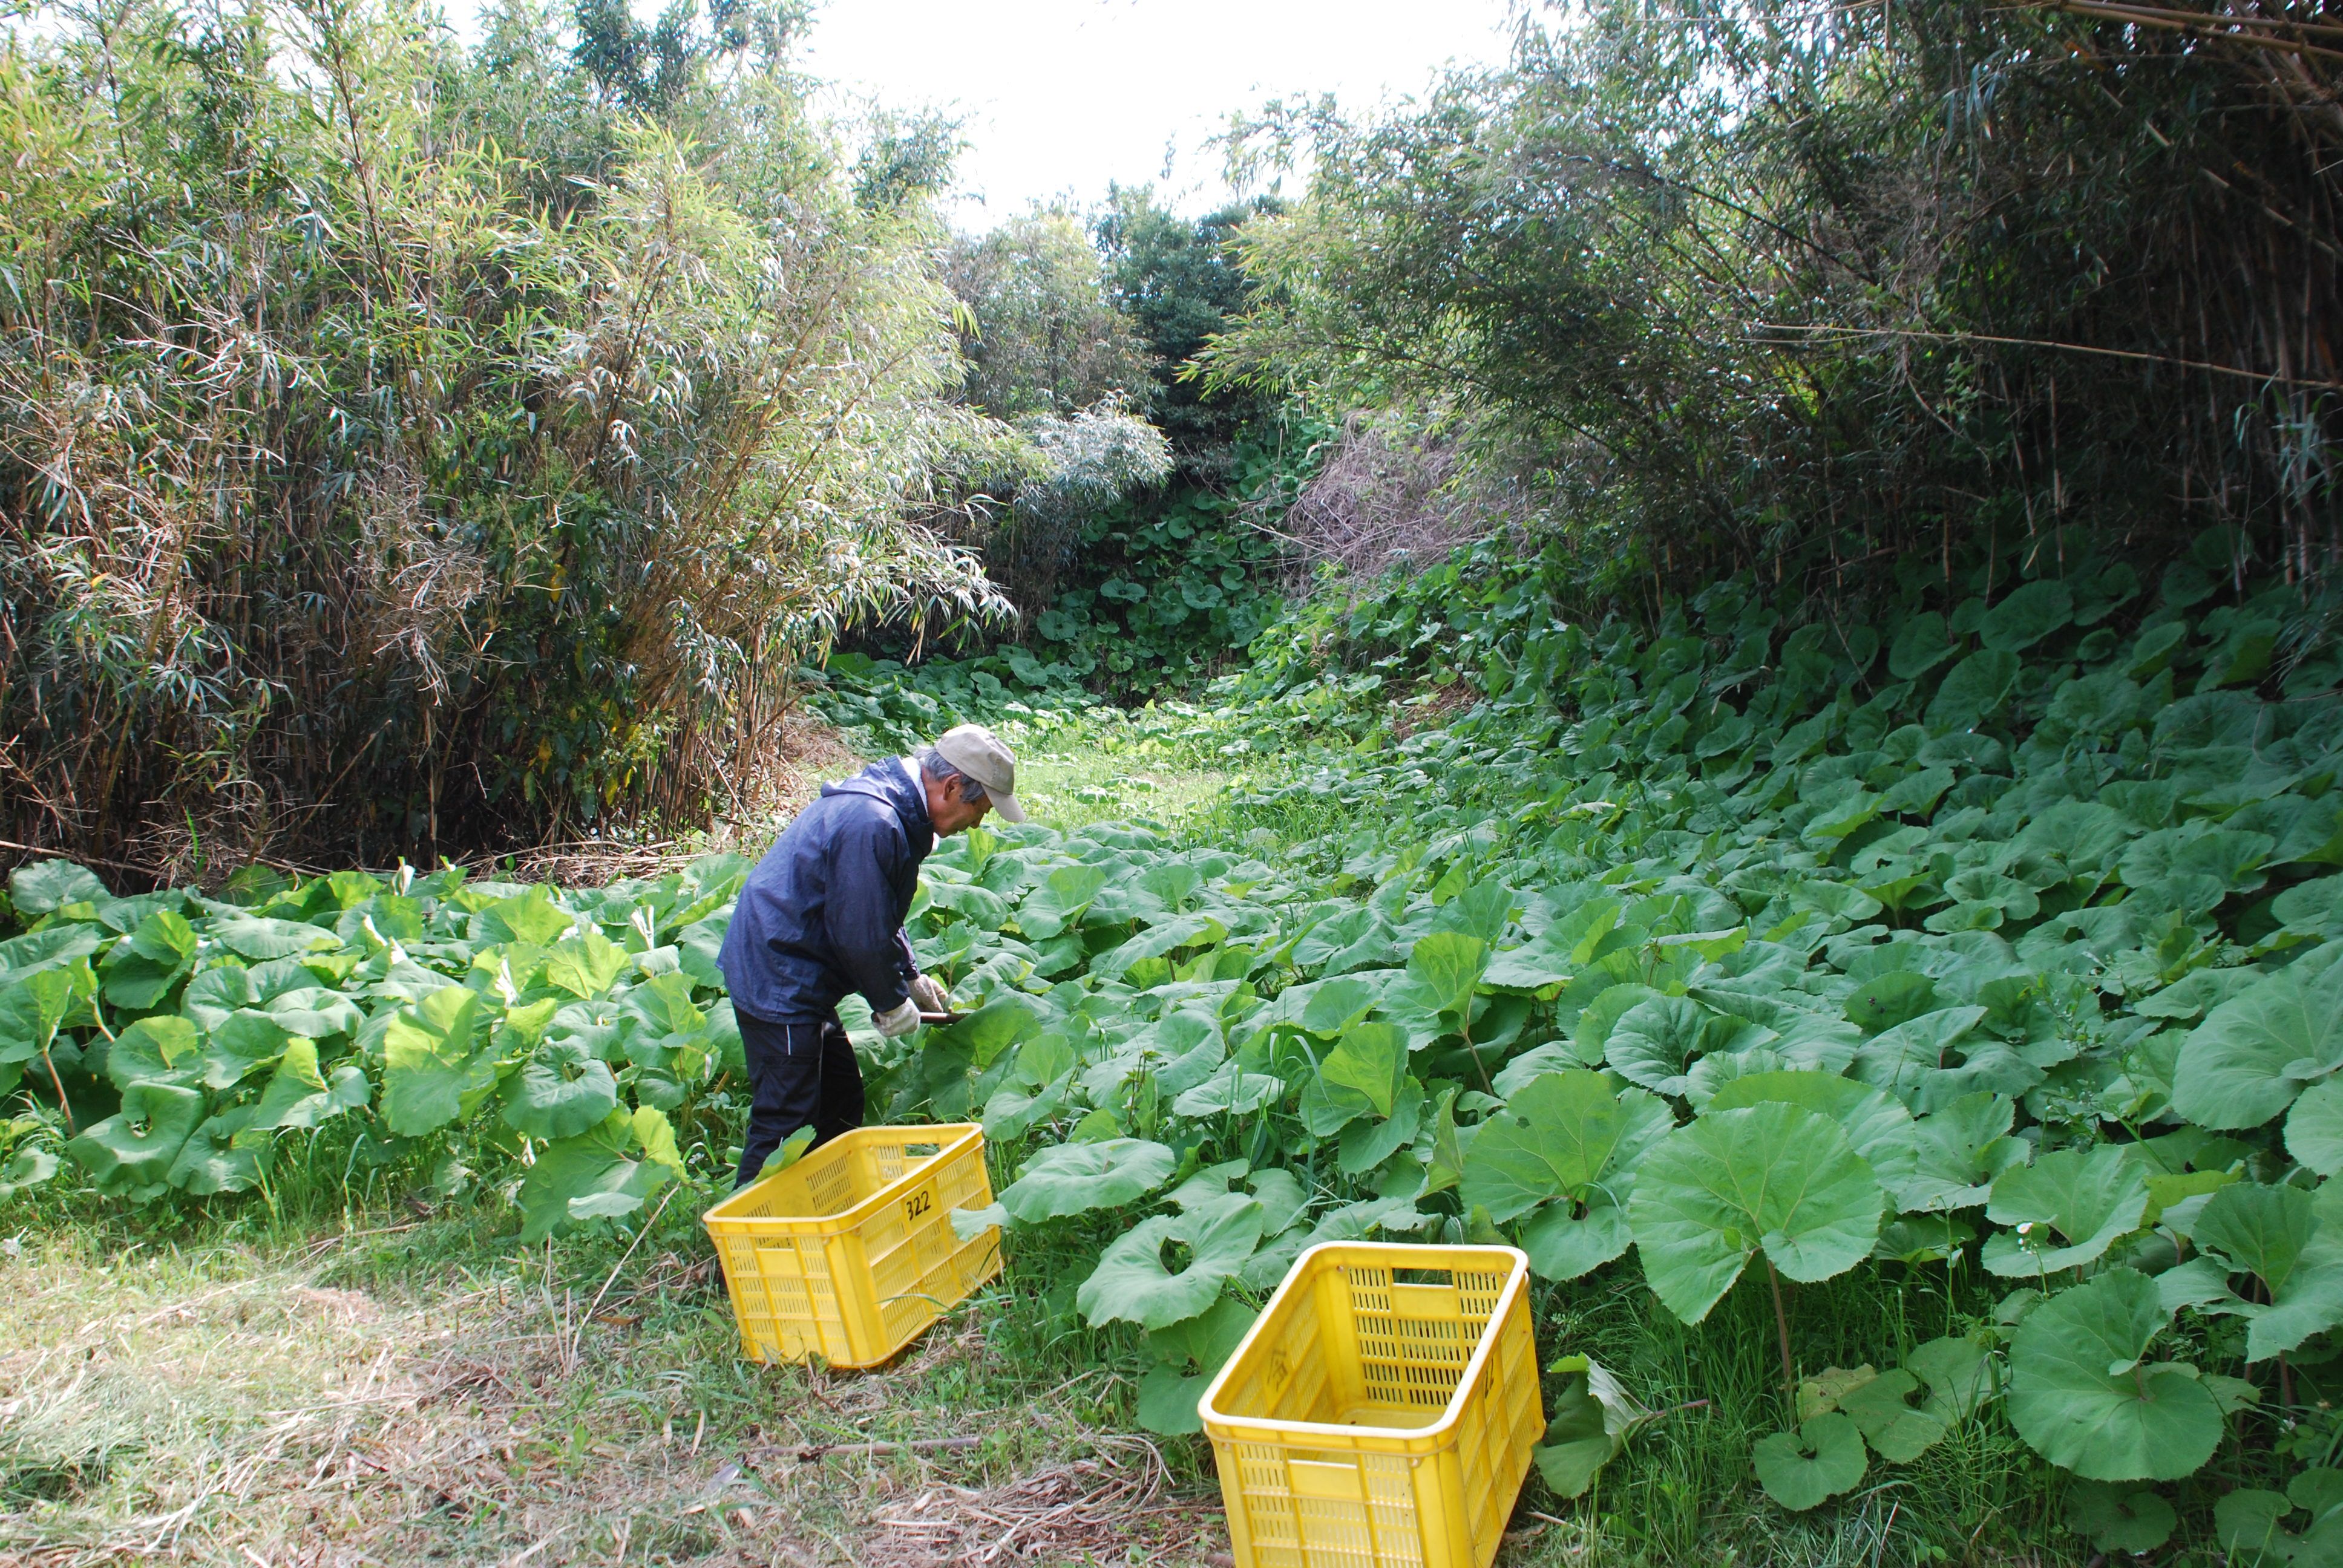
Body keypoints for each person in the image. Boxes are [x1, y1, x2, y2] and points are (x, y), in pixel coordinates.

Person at [718, 723, 1026, 1187]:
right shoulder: (874, 822)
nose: (979, 823)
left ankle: (827, 1213)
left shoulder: (895, 806)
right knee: (785, 1123)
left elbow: (872, 904)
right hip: (778, 974)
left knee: (840, 1099)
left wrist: (910, 976)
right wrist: (889, 1002)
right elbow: (858, 933)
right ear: (951, 787)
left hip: (800, 968)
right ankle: (745, 1250)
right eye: (980, 809)